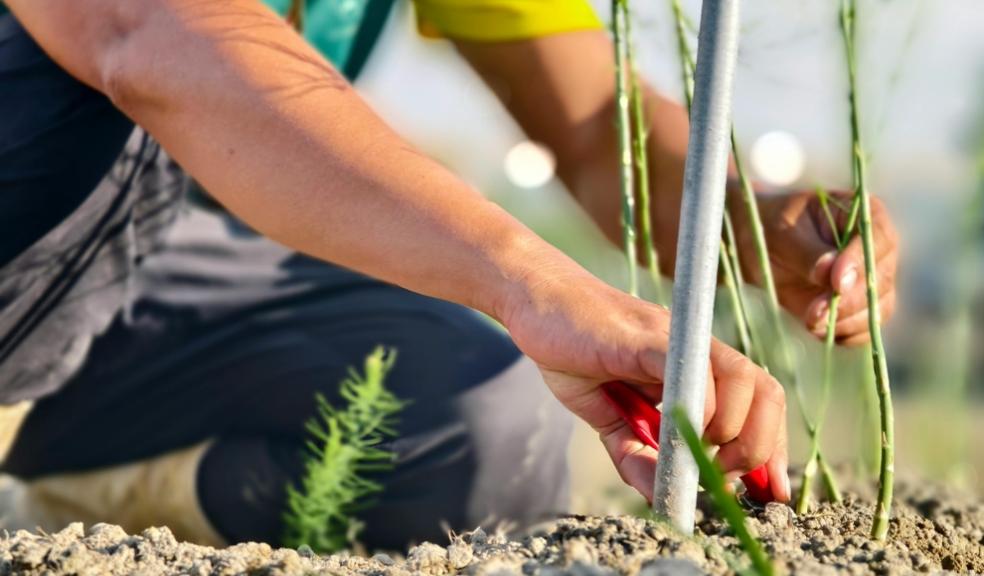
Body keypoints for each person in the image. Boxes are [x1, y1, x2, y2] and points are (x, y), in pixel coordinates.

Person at [0, 0, 898, 550]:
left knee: (482, 426)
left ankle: (65, 486)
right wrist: (529, 282)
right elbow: (147, 31)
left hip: (172, 272)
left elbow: (592, 130)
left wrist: (753, 225)